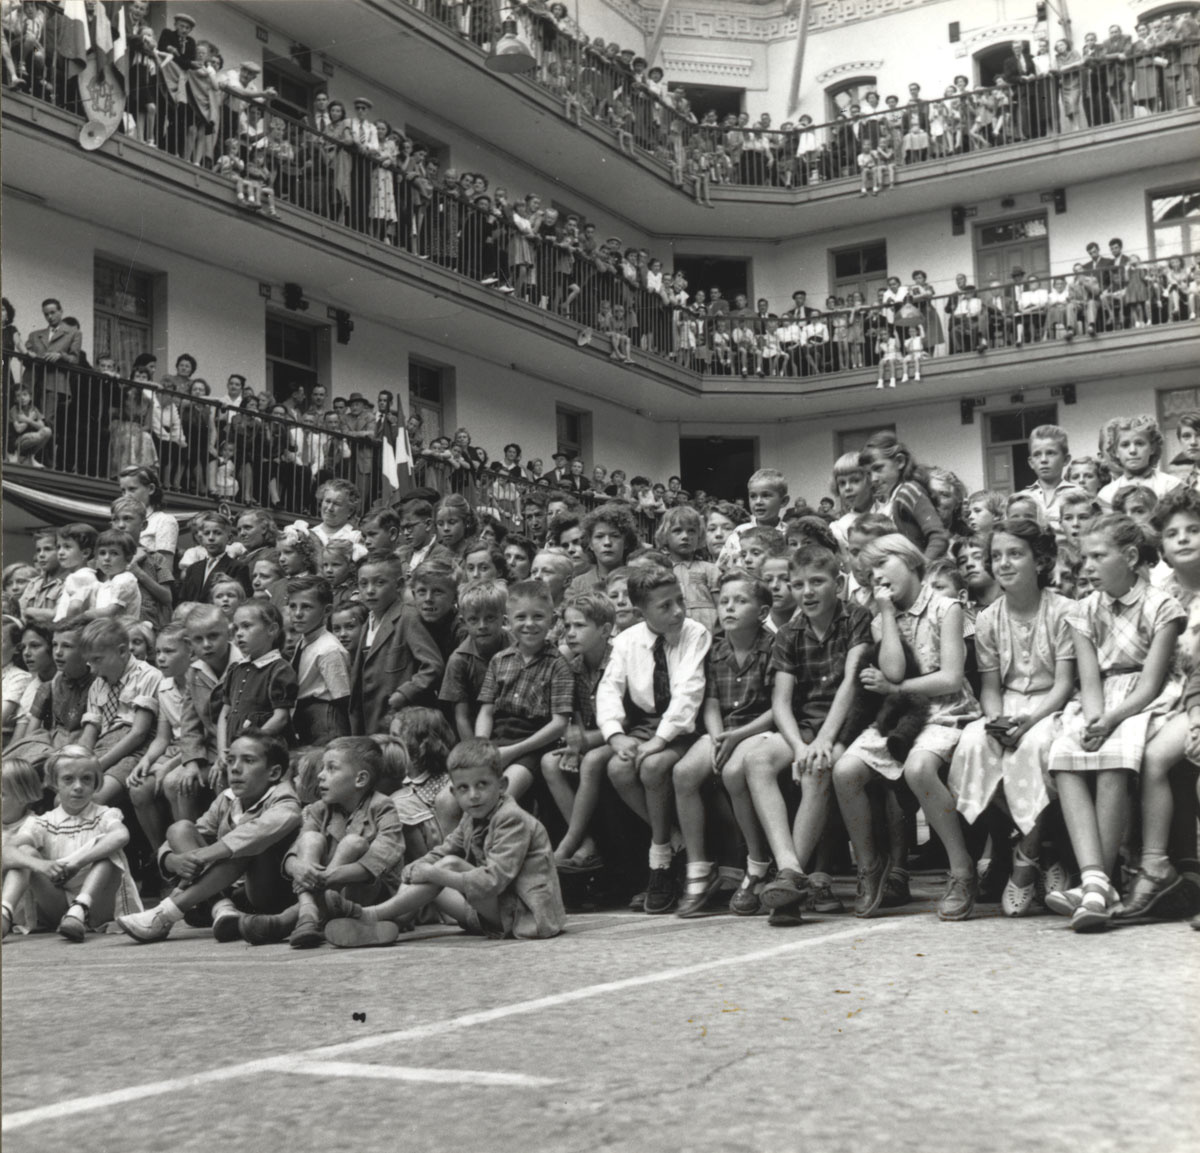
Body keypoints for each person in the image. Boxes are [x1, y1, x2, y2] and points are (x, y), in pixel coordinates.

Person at [1045, 515, 1184, 930]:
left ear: (1129, 556)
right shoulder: (1083, 611)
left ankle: (1095, 887)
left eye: (1097, 556)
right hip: (1102, 701)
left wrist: (1112, 720)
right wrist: (1093, 719)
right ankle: (1095, 880)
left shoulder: (1162, 606)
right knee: (1065, 753)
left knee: (1114, 755)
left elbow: (1153, 682)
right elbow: (1089, 680)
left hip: (1145, 701)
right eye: (1083, 556)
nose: (1086, 566)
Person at [833, 534, 982, 921]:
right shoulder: (882, 614)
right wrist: (884, 614)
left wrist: (894, 688)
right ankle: (871, 867)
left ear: (909, 559)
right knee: (845, 771)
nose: (876, 577)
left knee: (919, 768)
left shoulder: (945, 607)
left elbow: (950, 678)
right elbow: (893, 670)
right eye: (868, 573)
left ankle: (962, 870)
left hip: (946, 711)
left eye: (882, 564)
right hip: (901, 715)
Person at [948, 520, 1076, 916]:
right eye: (997, 556)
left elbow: (1064, 684)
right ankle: (1045, 846)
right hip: (1007, 705)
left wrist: (1030, 721)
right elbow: (989, 685)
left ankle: (1026, 858)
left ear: (1040, 561)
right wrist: (995, 721)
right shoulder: (988, 618)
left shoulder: (1064, 611)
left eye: (1015, 554)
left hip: (1052, 707)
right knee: (972, 744)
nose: (1003, 563)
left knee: (1035, 747)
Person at [324, 738, 565, 945]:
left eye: (482, 785)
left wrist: (433, 873)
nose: (473, 795)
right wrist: (417, 867)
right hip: (495, 912)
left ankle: (372, 916)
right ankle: (386, 924)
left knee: (449, 866)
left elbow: (492, 882)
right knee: (437, 866)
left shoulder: (512, 819)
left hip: (527, 917)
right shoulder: (473, 816)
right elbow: (445, 848)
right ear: (454, 792)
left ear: (501, 785)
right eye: (463, 788)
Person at [597, 565, 712, 913]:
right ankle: (675, 841)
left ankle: (659, 859)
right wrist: (615, 735)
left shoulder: (695, 633)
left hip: (686, 725)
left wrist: (659, 740)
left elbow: (689, 693)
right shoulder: (626, 641)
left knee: (653, 767)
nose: (678, 611)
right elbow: (609, 689)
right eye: (665, 606)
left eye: (680, 601)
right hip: (647, 723)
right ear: (641, 611)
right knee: (618, 769)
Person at [116, 731, 302, 943]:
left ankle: (166, 913)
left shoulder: (285, 799)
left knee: (245, 843)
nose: (235, 768)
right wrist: (173, 861)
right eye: (231, 760)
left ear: (274, 772)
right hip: (231, 890)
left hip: (268, 893)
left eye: (248, 761)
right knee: (180, 829)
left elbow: (257, 832)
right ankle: (222, 908)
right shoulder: (228, 799)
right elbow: (194, 832)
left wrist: (205, 855)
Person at [672, 572, 776, 919]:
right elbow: (711, 702)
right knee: (684, 772)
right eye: (725, 601)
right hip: (724, 730)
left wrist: (736, 737)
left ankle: (757, 861)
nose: (729, 607)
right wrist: (717, 736)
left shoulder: (772, 647)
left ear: (762, 612)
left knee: (734, 771)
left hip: (759, 729)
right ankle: (698, 867)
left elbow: (779, 707)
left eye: (740, 601)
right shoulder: (715, 649)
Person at [239, 736, 405, 948]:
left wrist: (326, 877)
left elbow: (383, 855)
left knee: (353, 843)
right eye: (322, 768)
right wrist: (298, 867)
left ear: (360, 780)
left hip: (370, 895)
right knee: (310, 838)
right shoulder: (319, 809)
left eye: (331, 768)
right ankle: (308, 914)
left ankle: (288, 921)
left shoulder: (383, 807)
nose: (320, 775)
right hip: (324, 888)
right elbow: (295, 851)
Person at [2, 747, 141, 941]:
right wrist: (41, 865)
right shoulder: (43, 822)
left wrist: (78, 863)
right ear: (54, 783)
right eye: (68, 779)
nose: (78, 786)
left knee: (106, 846)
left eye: (86, 779)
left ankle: (79, 908)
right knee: (24, 852)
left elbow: (120, 836)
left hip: (98, 905)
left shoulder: (104, 815)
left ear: (96, 783)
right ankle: (4, 913)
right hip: (58, 905)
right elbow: (7, 852)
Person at [474, 579, 575, 802]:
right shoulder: (499, 660)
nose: (529, 624)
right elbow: (486, 712)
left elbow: (559, 724)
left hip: (533, 746)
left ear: (553, 620)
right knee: (449, 799)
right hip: (496, 740)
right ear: (507, 622)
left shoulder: (558, 665)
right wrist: (482, 745)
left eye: (538, 616)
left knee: (499, 797)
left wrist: (513, 751)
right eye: (521, 617)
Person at [350, 555, 444, 735]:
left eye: (379, 583)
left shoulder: (408, 617)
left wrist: (404, 694)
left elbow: (433, 666)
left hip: (400, 719)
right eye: (363, 584)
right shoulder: (365, 624)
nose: (370, 590)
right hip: (370, 719)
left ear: (399, 585)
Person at [76, 618, 162, 807]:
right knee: (64, 798)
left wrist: (99, 765)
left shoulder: (148, 676)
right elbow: (90, 733)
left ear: (123, 651)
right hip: (103, 745)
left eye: (97, 659)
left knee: (94, 799)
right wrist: (79, 761)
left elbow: (139, 734)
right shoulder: (98, 684)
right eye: (89, 662)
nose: (92, 668)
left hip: (134, 750)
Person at [216, 601, 297, 762]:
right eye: (236, 628)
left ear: (272, 630)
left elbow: (281, 718)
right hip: (234, 752)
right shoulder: (236, 669)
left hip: (264, 755)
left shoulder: (279, 669)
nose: (239, 633)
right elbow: (224, 714)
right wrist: (222, 751)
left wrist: (248, 745)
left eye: (246, 626)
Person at [440, 580, 508, 742]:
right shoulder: (459, 660)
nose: (482, 626)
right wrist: (476, 754)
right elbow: (461, 717)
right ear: (464, 623)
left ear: (503, 618)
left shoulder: (517, 647)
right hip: (477, 734)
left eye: (490, 618)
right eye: (474, 620)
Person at [287, 575, 352, 745]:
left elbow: (342, 698)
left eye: (306, 607)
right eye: (293, 606)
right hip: (305, 716)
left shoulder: (329, 649)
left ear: (328, 610)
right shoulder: (304, 640)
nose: (298, 614)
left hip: (326, 719)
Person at [177, 511, 249, 604]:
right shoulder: (193, 568)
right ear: (201, 538)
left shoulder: (237, 567)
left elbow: (242, 600)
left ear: (229, 538)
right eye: (206, 533)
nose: (211, 538)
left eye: (217, 533)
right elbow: (183, 600)